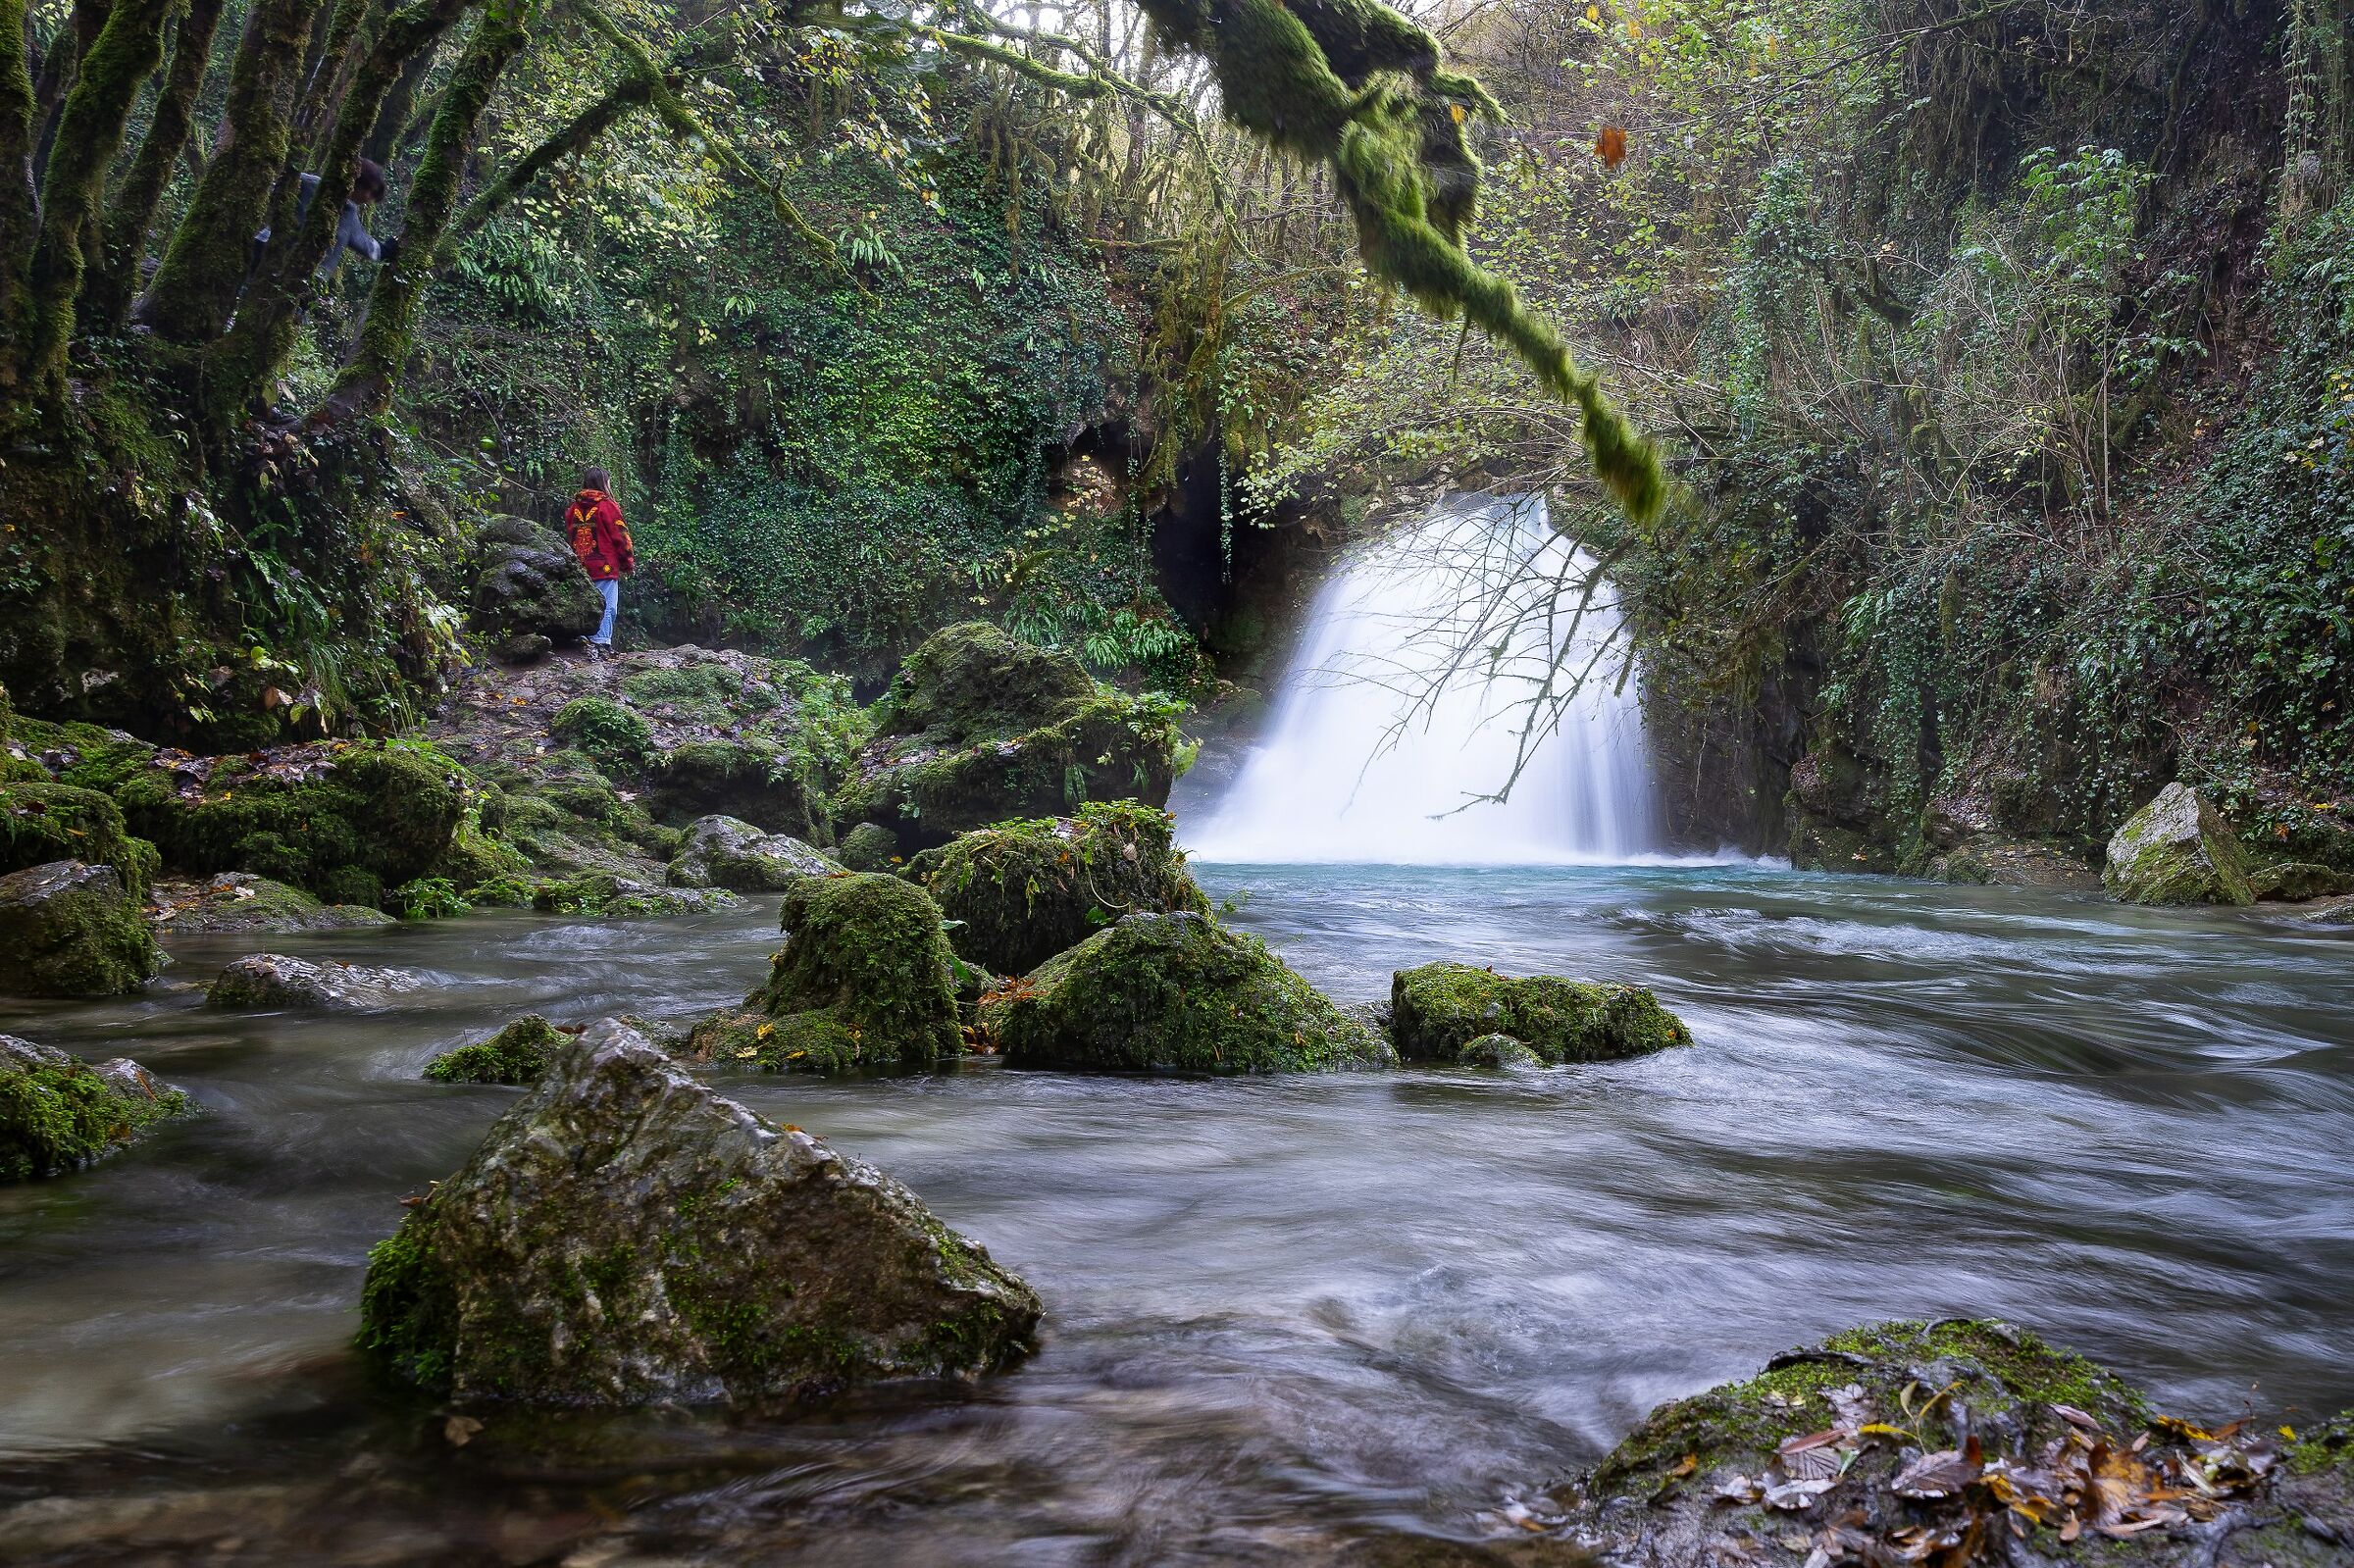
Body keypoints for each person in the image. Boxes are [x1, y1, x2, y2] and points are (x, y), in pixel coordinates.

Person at [564, 469, 635, 657]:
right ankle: (601, 644)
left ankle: (585, 642)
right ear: (604, 483)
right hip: (605, 566)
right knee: (607, 605)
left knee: (584, 605)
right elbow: (621, 537)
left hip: (580, 567)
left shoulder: (573, 509)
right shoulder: (608, 506)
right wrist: (628, 562)